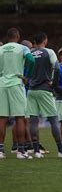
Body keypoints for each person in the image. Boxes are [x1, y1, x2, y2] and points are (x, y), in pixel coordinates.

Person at [27, 32, 62, 158]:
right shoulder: (49, 52)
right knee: (54, 120)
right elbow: (57, 68)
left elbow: (25, 71)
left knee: (33, 121)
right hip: (45, 89)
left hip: (31, 91)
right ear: (45, 40)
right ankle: (61, 151)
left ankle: (37, 151)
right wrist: (54, 84)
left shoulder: (30, 53)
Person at [0, 28, 35, 160]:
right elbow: (31, 61)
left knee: (2, 118)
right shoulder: (22, 48)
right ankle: (21, 151)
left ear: (7, 37)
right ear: (18, 37)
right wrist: (27, 76)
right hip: (16, 82)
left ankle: (0, 150)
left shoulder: (1, 49)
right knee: (20, 117)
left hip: (2, 84)